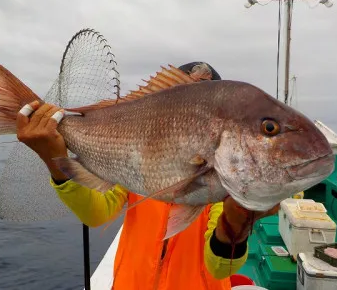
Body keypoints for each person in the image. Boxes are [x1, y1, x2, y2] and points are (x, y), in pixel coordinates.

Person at [16, 62, 279, 290]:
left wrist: (236, 224)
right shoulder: (136, 154)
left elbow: (220, 268)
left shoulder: (225, 176)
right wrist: (53, 160)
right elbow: (95, 213)